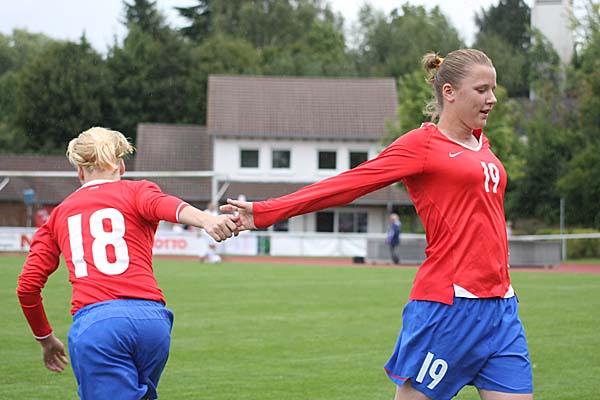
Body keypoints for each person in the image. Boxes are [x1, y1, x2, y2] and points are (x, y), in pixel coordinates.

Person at [223, 49, 533, 400]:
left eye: (493, 89)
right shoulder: (422, 145)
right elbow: (349, 184)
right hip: (450, 305)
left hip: (501, 308)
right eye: (481, 90)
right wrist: (265, 212)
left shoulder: (483, 146)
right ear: (449, 92)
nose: (492, 99)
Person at [16, 127, 238, 400]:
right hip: (153, 323)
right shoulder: (138, 191)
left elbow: (27, 287)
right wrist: (206, 219)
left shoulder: (58, 216)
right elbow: (166, 205)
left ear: (80, 172)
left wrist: (45, 338)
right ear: (121, 166)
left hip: (99, 326)